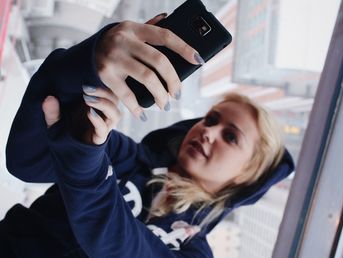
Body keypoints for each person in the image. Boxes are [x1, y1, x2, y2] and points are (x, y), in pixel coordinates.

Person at [2, 13, 294, 258]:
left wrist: (86, 170)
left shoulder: (194, 251)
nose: (208, 132)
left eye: (230, 137)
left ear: (247, 174)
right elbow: (26, 161)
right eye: (211, 119)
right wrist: (87, 63)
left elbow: (123, 249)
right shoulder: (123, 154)